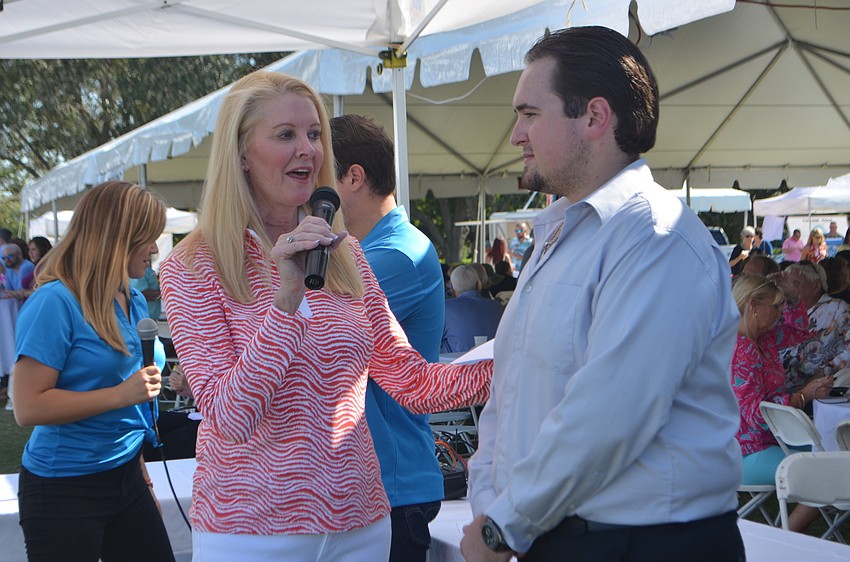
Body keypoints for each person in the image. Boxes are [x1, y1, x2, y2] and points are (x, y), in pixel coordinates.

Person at [158, 70, 492, 562]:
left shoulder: (347, 254)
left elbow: (411, 381)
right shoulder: (193, 265)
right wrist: (286, 302)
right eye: (286, 135)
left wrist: (516, 357)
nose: (308, 150)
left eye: (314, 134)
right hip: (254, 529)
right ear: (242, 153)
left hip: (362, 521)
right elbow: (230, 418)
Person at [461, 27, 745, 562]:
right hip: (559, 536)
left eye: (529, 114)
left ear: (594, 117)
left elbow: (609, 414)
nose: (516, 135)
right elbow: (510, 394)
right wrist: (490, 508)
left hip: (644, 545)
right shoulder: (559, 236)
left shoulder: (657, 237)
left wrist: (503, 525)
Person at [12, 181, 174, 562]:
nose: (154, 249)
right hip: (62, 487)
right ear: (118, 237)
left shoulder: (132, 297)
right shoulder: (55, 302)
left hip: (126, 475)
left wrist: (143, 477)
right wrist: (119, 395)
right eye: (148, 238)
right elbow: (27, 407)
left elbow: (131, 409)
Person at [330, 113, 446, 562]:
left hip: (390, 484)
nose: (304, 193)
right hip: (368, 482)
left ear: (353, 177)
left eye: (315, 177)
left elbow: (313, 336)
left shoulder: (397, 255)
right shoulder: (366, 251)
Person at [730, 273, 831, 532]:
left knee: (833, 458)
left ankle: (786, 535)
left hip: (767, 444)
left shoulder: (763, 339)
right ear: (753, 306)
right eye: (775, 307)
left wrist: (795, 297)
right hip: (744, 453)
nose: (780, 312)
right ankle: (786, 537)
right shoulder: (742, 350)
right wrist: (801, 397)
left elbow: (799, 333)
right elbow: (754, 414)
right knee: (829, 470)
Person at [779, 260, 850, 392]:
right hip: (780, 385)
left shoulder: (838, 309)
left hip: (815, 387)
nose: (788, 289)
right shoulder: (781, 309)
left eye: (795, 283)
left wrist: (825, 372)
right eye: (786, 284)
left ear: (816, 286)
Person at [442, 265, 504, 353]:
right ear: (478, 284)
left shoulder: (444, 309)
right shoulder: (498, 307)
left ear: (451, 286)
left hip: (457, 364)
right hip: (494, 364)